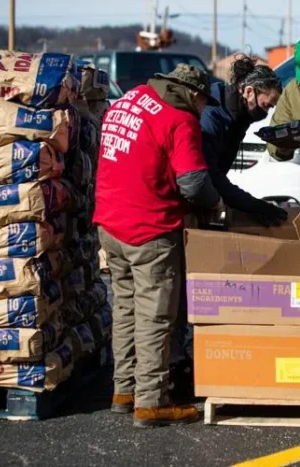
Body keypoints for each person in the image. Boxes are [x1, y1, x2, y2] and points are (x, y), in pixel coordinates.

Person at [94, 64, 223, 428]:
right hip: (149, 228)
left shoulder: (129, 100)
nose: (202, 110)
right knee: (155, 316)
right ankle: (151, 402)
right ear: (193, 94)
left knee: (126, 308)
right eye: (202, 103)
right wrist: (214, 204)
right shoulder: (179, 119)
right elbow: (195, 184)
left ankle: (124, 389)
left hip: (110, 223)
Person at [200, 55, 288, 226]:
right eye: (266, 105)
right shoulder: (212, 115)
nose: (267, 112)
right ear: (249, 91)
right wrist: (253, 205)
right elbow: (210, 176)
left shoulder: (240, 115)